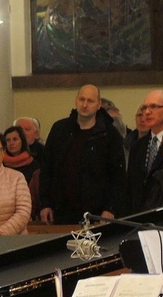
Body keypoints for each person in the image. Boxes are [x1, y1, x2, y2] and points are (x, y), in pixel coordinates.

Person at [39, 84, 125, 224]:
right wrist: (45, 203)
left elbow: (118, 176)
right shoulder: (60, 130)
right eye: (81, 99)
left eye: (90, 101)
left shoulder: (110, 134)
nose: (85, 105)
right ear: (76, 101)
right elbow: (47, 169)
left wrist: (111, 208)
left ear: (98, 105)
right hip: (62, 212)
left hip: (96, 213)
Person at [127, 90, 163, 214]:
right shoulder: (138, 145)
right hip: (138, 217)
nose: (147, 112)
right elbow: (130, 187)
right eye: (145, 108)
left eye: (153, 107)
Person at [3, 125, 40, 219]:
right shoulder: (0, 165)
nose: (11, 143)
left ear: (22, 141)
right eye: (8, 140)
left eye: (15, 139)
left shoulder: (34, 165)